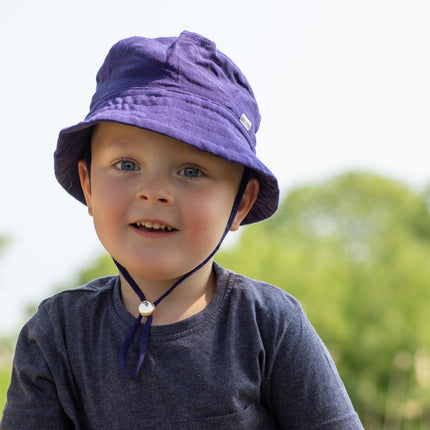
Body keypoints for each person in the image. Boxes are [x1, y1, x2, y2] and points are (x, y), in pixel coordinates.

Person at [1, 31, 364, 429]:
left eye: (191, 171)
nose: (154, 192)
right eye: (126, 164)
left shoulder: (267, 325)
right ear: (88, 185)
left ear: (239, 203)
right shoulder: (58, 333)